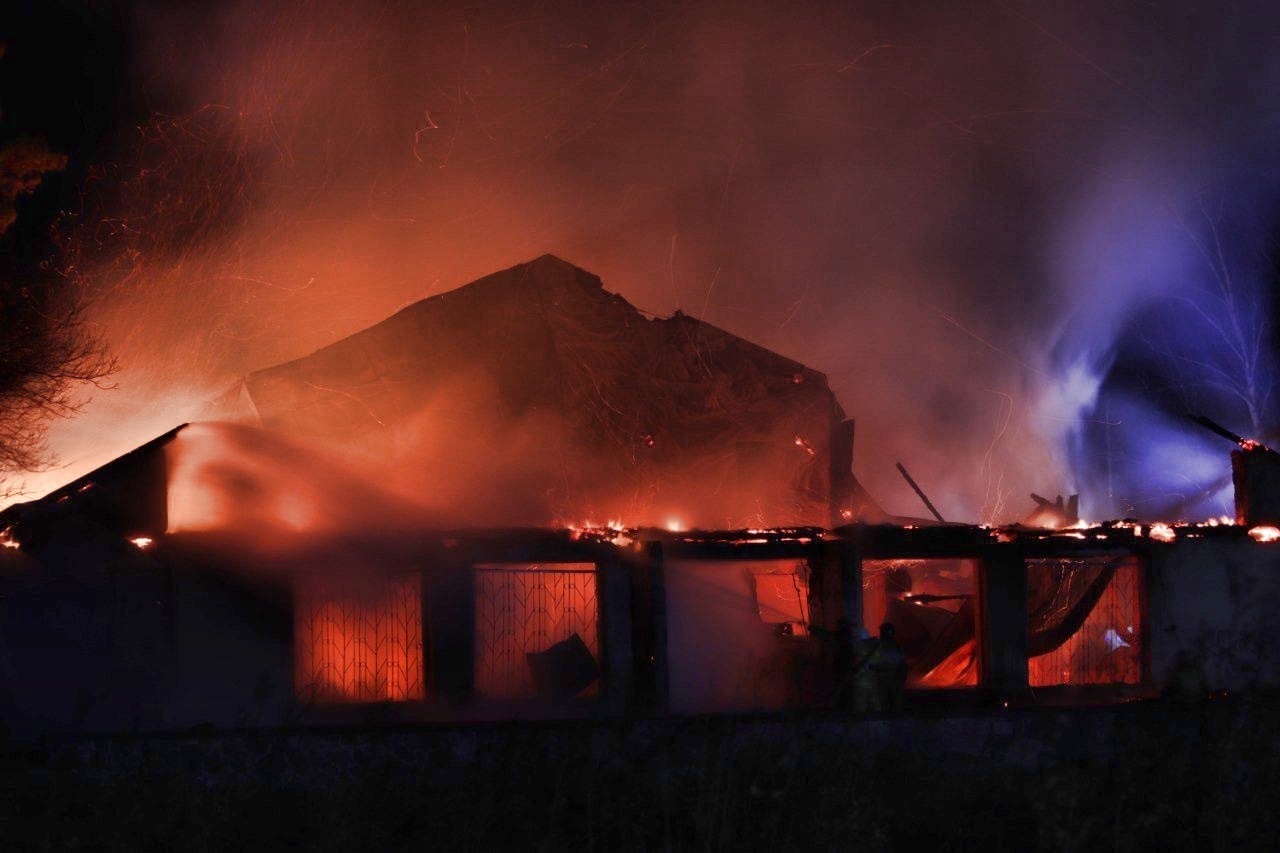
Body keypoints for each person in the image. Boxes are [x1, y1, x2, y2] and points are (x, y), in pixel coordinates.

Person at [868, 622, 909, 713]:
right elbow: (903, 664)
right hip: (889, 679)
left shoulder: (879, 646)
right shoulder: (894, 646)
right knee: (890, 704)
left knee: (887, 704)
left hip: (887, 679)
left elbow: (902, 664)